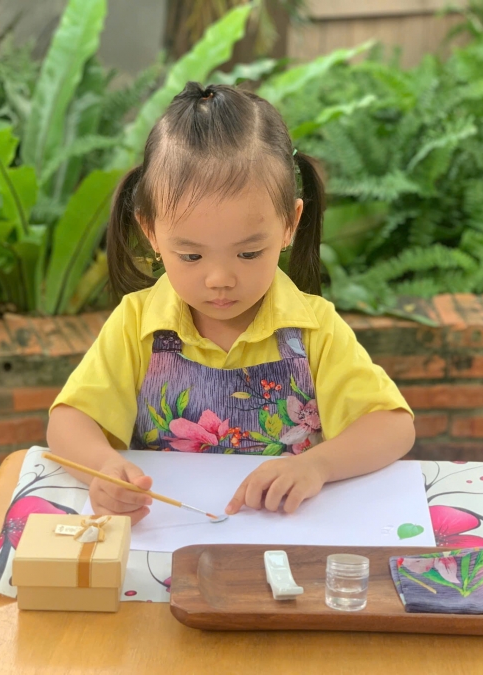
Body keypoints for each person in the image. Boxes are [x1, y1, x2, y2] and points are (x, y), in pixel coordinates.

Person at [46, 82, 414, 524]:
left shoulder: (314, 330)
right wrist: (104, 469)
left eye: (248, 253)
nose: (219, 279)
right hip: (169, 535)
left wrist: (316, 465)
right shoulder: (136, 324)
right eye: (191, 256)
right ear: (151, 232)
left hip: (284, 538)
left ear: (289, 224)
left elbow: (392, 426)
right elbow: (69, 421)